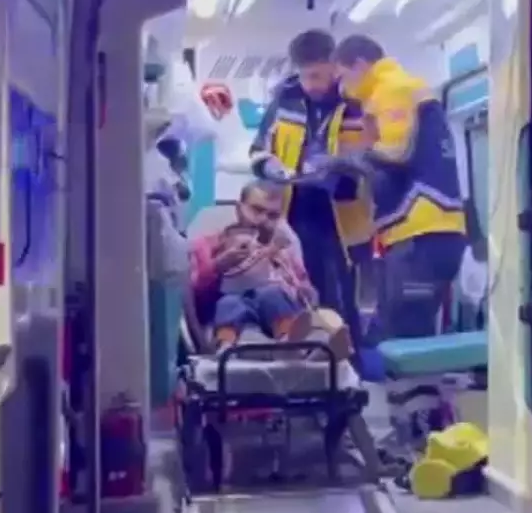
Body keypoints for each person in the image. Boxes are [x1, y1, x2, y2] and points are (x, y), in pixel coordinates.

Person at [331, 35, 468, 339]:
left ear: (360, 64)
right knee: (405, 328)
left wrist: (343, 161)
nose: (343, 88)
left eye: (343, 77)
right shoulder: (402, 89)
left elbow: (395, 153)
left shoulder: (391, 89)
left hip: (420, 233)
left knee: (401, 330)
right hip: (431, 233)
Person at [248, 29, 373, 348]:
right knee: (303, 293)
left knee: (346, 298)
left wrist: (340, 165)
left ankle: (350, 361)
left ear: (334, 65)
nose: (309, 84)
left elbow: (377, 156)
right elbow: (258, 150)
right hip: (295, 210)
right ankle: (314, 358)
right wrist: (271, 167)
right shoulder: (284, 100)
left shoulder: (358, 101)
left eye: (316, 75)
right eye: (304, 76)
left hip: (346, 217)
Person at [189, 180, 352, 359]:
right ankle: (226, 347)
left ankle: (294, 344)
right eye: (256, 210)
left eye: (273, 216)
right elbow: (191, 292)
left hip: (276, 313)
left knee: (272, 294)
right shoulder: (207, 245)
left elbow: (306, 289)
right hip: (234, 313)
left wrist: (294, 283)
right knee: (230, 305)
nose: (263, 220)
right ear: (239, 208)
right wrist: (219, 265)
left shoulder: (285, 247)